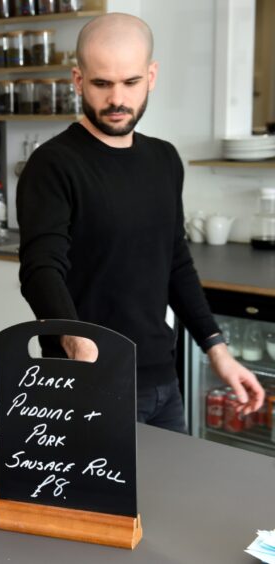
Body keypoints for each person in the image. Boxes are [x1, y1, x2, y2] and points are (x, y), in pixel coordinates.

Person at [16, 13, 264, 432]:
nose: (117, 99)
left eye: (130, 82)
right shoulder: (53, 164)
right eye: (101, 83)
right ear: (78, 80)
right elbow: (40, 270)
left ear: (151, 76)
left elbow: (175, 263)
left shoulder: (164, 159)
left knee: (174, 496)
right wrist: (76, 341)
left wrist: (217, 349)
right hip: (86, 380)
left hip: (162, 383)